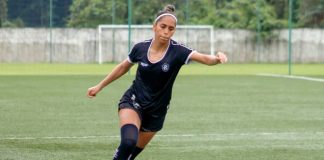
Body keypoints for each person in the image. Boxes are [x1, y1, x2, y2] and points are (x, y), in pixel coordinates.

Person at [87, 4, 227, 160]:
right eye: (163, 27)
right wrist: (99, 86)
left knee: (131, 154)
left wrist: (217, 58)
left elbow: (205, 59)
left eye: (171, 29)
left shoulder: (179, 51)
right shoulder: (140, 48)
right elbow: (122, 67)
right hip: (134, 101)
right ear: (154, 26)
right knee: (128, 142)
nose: (166, 32)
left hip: (157, 110)